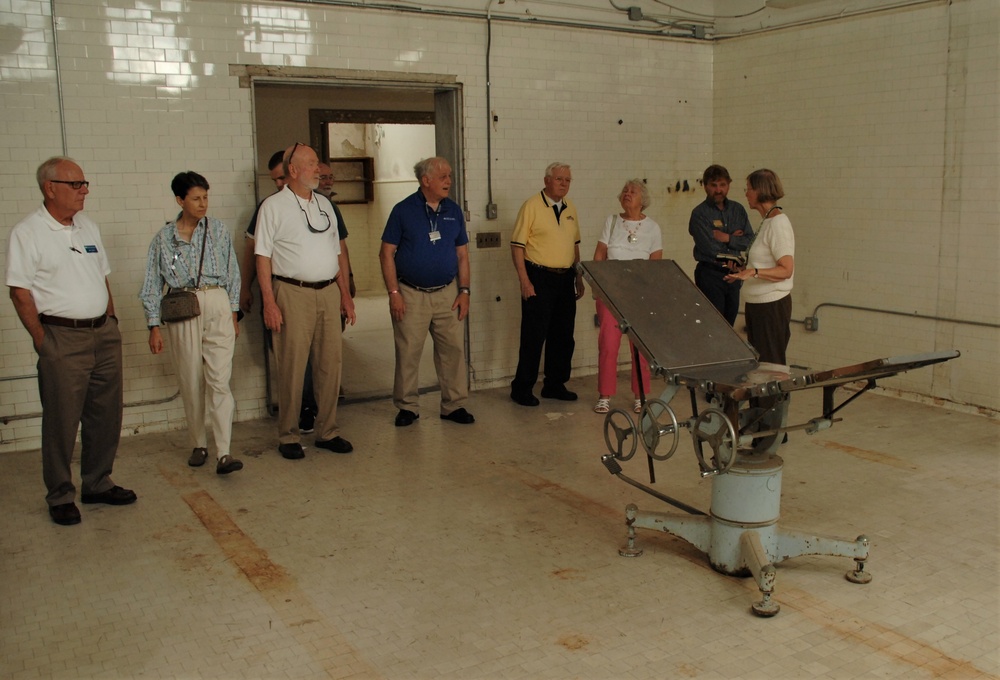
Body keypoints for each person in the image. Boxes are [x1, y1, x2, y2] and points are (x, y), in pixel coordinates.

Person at [6, 157, 137, 525]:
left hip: (102, 334)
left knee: (106, 414)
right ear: (50, 188)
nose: (85, 190)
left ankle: (97, 481)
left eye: (84, 183)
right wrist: (42, 340)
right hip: (61, 338)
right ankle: (61, 493)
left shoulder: (87, 227)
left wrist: (111, 320)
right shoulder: (28, 232)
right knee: (62, 420)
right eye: (76, 184)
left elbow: (102, 278)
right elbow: (19, 292)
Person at [255, 143, 356, 459]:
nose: (319, 170)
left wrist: (345, 295)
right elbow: (262, 257)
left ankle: (327, 431)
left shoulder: (325, 205)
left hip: (328, 291)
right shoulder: (272, 207)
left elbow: (337, 252)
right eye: (312, 164)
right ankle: (289, 436)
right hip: (292, 292)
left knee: (330, 365)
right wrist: (269, 302)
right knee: (292, 365)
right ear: (294, 170)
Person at [139, 171, 243, 474]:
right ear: (180, 200)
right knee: (190, 378)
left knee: (219, 380)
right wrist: (153, 325)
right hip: (182, 306)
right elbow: (150, 283)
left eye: (205, 197)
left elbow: (232, 272)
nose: (203, 203)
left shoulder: (218, 231)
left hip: (217, 301)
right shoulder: (163, 238)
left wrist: (233, 312)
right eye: (196, 198)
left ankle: (225, 452)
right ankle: (199, 443)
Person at [379, 157, 474, 427]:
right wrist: (394, 292)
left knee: (453, 350)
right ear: (426, 180)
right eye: (443, 176)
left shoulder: (453, 211)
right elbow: (386, 254)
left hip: (448, 293)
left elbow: (463, 255)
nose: (449, 181)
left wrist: (464, 290)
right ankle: (408, 406)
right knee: (408, 351)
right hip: (411, 293)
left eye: (450, 176)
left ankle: (453, 405)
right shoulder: (403, 210)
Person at [509, 162, 585, 407]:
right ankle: (522, 388)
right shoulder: (531, 206)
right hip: (538, 276)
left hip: (565, 278)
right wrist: (524, 281)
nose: (564, 183)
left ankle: (554, 384)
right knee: (534, 335)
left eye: (568, 180)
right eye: (559, 179)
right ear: (546, 181)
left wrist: (579, 277)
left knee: (563, 335)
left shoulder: (570, 207)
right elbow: (517, 246)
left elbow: (574, 245)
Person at [592, 179, 663, 415]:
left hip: (639, 296)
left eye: (633, 191)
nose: (627, 193)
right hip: (610, 294)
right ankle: (604, 395)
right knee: (608, 346)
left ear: (643, 200)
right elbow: (600, 254)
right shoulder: (612, 222)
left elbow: (656, 265)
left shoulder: (653, 228)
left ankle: (640, 395)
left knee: (639, 350)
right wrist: (596, 286)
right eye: (625, 190)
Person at [725, 169, 794, 365]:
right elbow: (763, 263)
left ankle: (772, 397)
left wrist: (754, 272)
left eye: (749, 189)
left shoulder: (778, 223)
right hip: (756, 304)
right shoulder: (766, 221)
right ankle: (760, 397)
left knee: (770, 365)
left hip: (771, 306)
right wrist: (742, 271)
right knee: (759, 365)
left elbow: (786, 269)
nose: (746, 193)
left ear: (760, 191)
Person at [689, 164, 754, 326]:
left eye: (722, 185)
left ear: (729, 185)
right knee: (713, 326)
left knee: (729, 325)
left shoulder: (738, 210)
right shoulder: (699, 214)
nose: (718, 190)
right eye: (714, 185)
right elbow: (709, 248)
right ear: (705, 186)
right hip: (710, 274)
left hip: (734, 275)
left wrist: (727, 238)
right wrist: (734, 245)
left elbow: (750, 241)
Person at [240, 149, 286, 315]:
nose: (279, 184)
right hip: (281, 286)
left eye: (282, 178)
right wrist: (245, 287)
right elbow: (252, 247)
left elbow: (338, 248)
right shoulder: (268, 206)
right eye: (275, 180)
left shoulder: (320, 204)